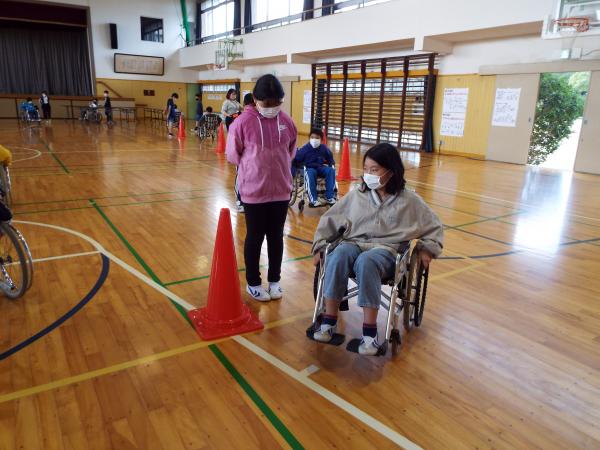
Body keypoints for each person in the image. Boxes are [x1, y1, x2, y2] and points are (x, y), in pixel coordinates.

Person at [310, 143, 444, 355]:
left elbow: (434, 226)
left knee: (367, 261)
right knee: (337, 255)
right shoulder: (357, 195)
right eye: (366, 169)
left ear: (391, 172)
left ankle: (370, 335)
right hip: (353, 243)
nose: (368, 174)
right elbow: (330, 220)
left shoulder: (409, 200)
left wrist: (428, 249)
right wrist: (319, 246)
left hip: (386, 250)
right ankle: (328, 321)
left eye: (374, 170)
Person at [226, 74, 297, 302]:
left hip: (281, 191)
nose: (273, 108)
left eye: (277, 103)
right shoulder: (242, 123)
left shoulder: (287, 121)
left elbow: (291, 151)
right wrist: (255, 166)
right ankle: (253, 283)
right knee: (255, 237)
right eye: (268, 104)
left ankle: (275, 281)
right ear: (256, 99)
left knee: (277, 237)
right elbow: (233, 155)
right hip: (254, 191)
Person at [294, 129, 336, 207]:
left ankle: (329, 196)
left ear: (321, 139)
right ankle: (313, 199)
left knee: (331, 170)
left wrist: (331, 164)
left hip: (320, 167)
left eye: (317, 138)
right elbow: (296, 159)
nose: (314, 140)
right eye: (312, 137)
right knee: (311, 172)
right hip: (309, 168)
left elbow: (330, 157)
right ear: (309, 138)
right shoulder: (305, 149)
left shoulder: (324, 148)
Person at [234, 93, 256, 213]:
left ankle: (250, 200)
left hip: (254, 154)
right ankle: (239, 200)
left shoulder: (259, 117)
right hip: (243, 153)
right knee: (241, 176)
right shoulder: (240, 116)